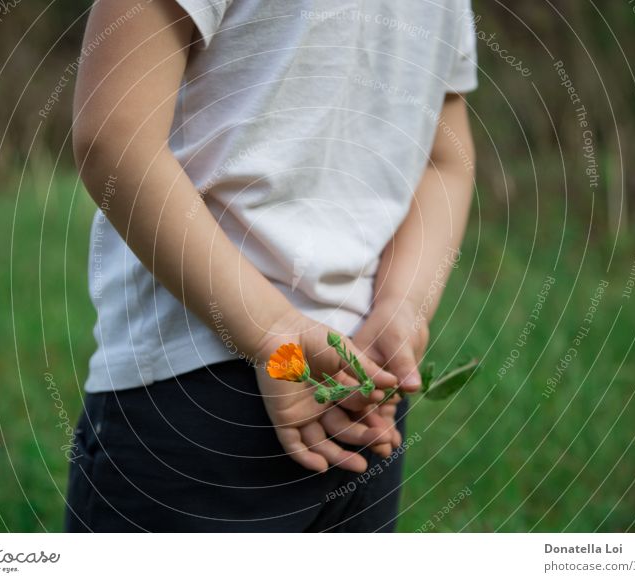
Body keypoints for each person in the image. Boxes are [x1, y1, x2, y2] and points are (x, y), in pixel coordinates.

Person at [65, 0, 477, 532]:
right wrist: (401, 306)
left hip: (194, 393)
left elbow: (113, 138)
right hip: (361, 382)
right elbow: (447, 162)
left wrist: (277, 337)